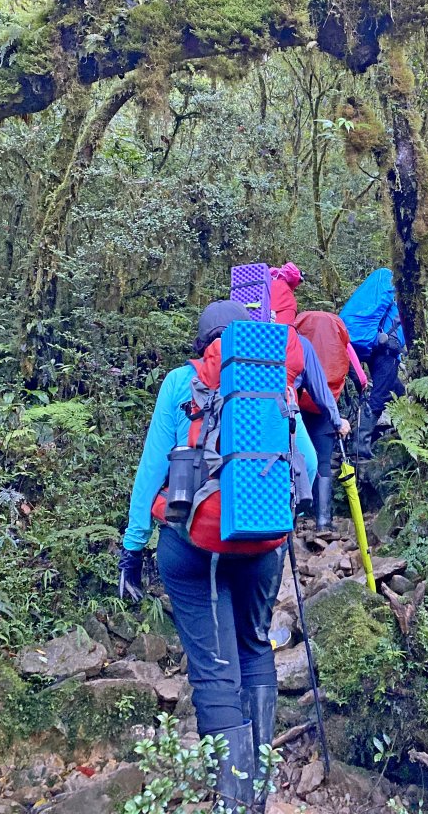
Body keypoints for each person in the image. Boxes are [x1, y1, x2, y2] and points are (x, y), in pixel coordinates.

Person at [117, 300, 301, 810]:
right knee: (254, 646)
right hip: (265, 543)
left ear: (203, 343)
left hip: (194, 544)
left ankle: (233, 802)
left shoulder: (182, 382)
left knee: (216, 669)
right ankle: (257, 794)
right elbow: (303, 462)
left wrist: (132, 549)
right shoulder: (275, 382)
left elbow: (150, 471)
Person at [295, 310, 367, 530]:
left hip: (297, 404)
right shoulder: (339, 337)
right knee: (323, 461)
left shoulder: (296, 339)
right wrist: (361, 388)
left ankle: (295, 517)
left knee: (295, 457)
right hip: (326, 407)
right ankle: (323, 520)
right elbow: (358, 373)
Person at [339, 268, 406, 459]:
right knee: (381, 394)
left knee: (398, 392)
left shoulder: (385, 293)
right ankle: (360, 446)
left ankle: (395, 434)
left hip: (374, 346)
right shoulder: (398, 295)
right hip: (387, 349)